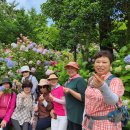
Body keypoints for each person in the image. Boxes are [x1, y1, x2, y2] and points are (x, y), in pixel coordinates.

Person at [82, 50, 124, 130]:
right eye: (98, 62)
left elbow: (113, 101)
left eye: (104, 62)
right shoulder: (91, 79)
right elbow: (88, 100)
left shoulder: (115, 81)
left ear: (110, 65)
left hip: (106, 125)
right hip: (88, 123)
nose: (100, 65)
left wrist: (103, 86)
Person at [63, 62, 87, 130]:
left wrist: (70, 91)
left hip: (77, 114)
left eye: (72, 68)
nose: (70, 70)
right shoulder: (69, 81)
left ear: (76, 70)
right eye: (68, 68)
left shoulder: (80, 80)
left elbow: (84, 98)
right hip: (70, 113)